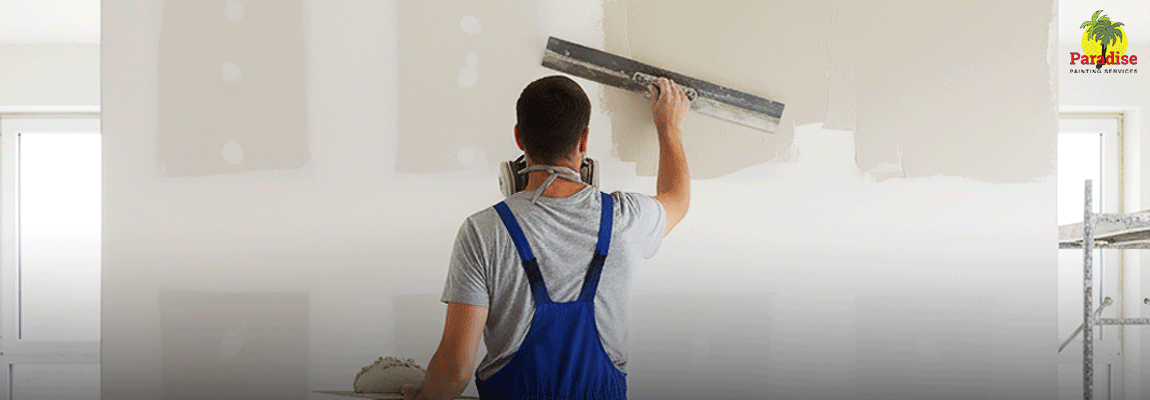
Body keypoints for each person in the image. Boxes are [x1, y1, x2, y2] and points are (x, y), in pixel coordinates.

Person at [403, 75, 691, 400]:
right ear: (583, 141)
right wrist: (669, 127)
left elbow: (455, 371)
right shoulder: (625, 219)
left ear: (518, 138)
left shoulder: (483, 232)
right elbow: (677, 198)